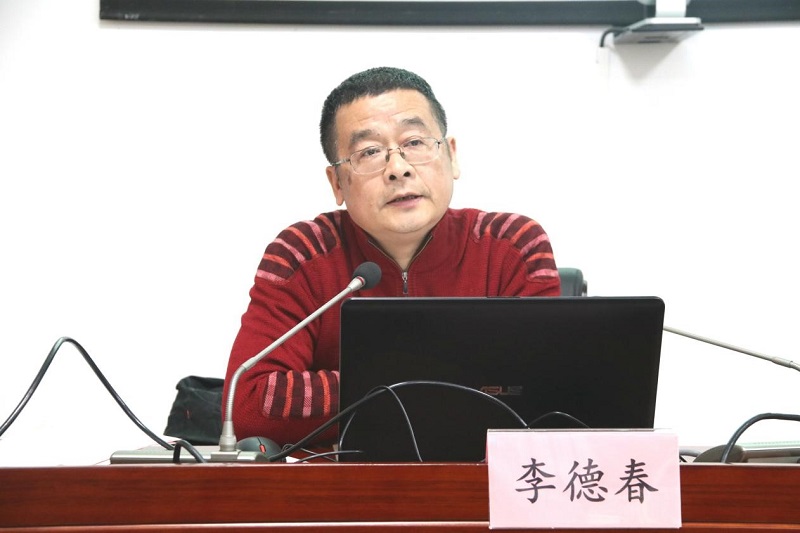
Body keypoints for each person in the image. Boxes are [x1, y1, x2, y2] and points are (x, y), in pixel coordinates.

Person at [223, 66, 561, 447]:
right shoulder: (302, 253)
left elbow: (545, 399)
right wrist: (448, 381)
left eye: (414, 142)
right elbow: (247, 403)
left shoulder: (512, 246)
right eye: (369, 152)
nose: (398, 169)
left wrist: (372, 388)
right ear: (337, 182)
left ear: (451, 155)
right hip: (346, 481)